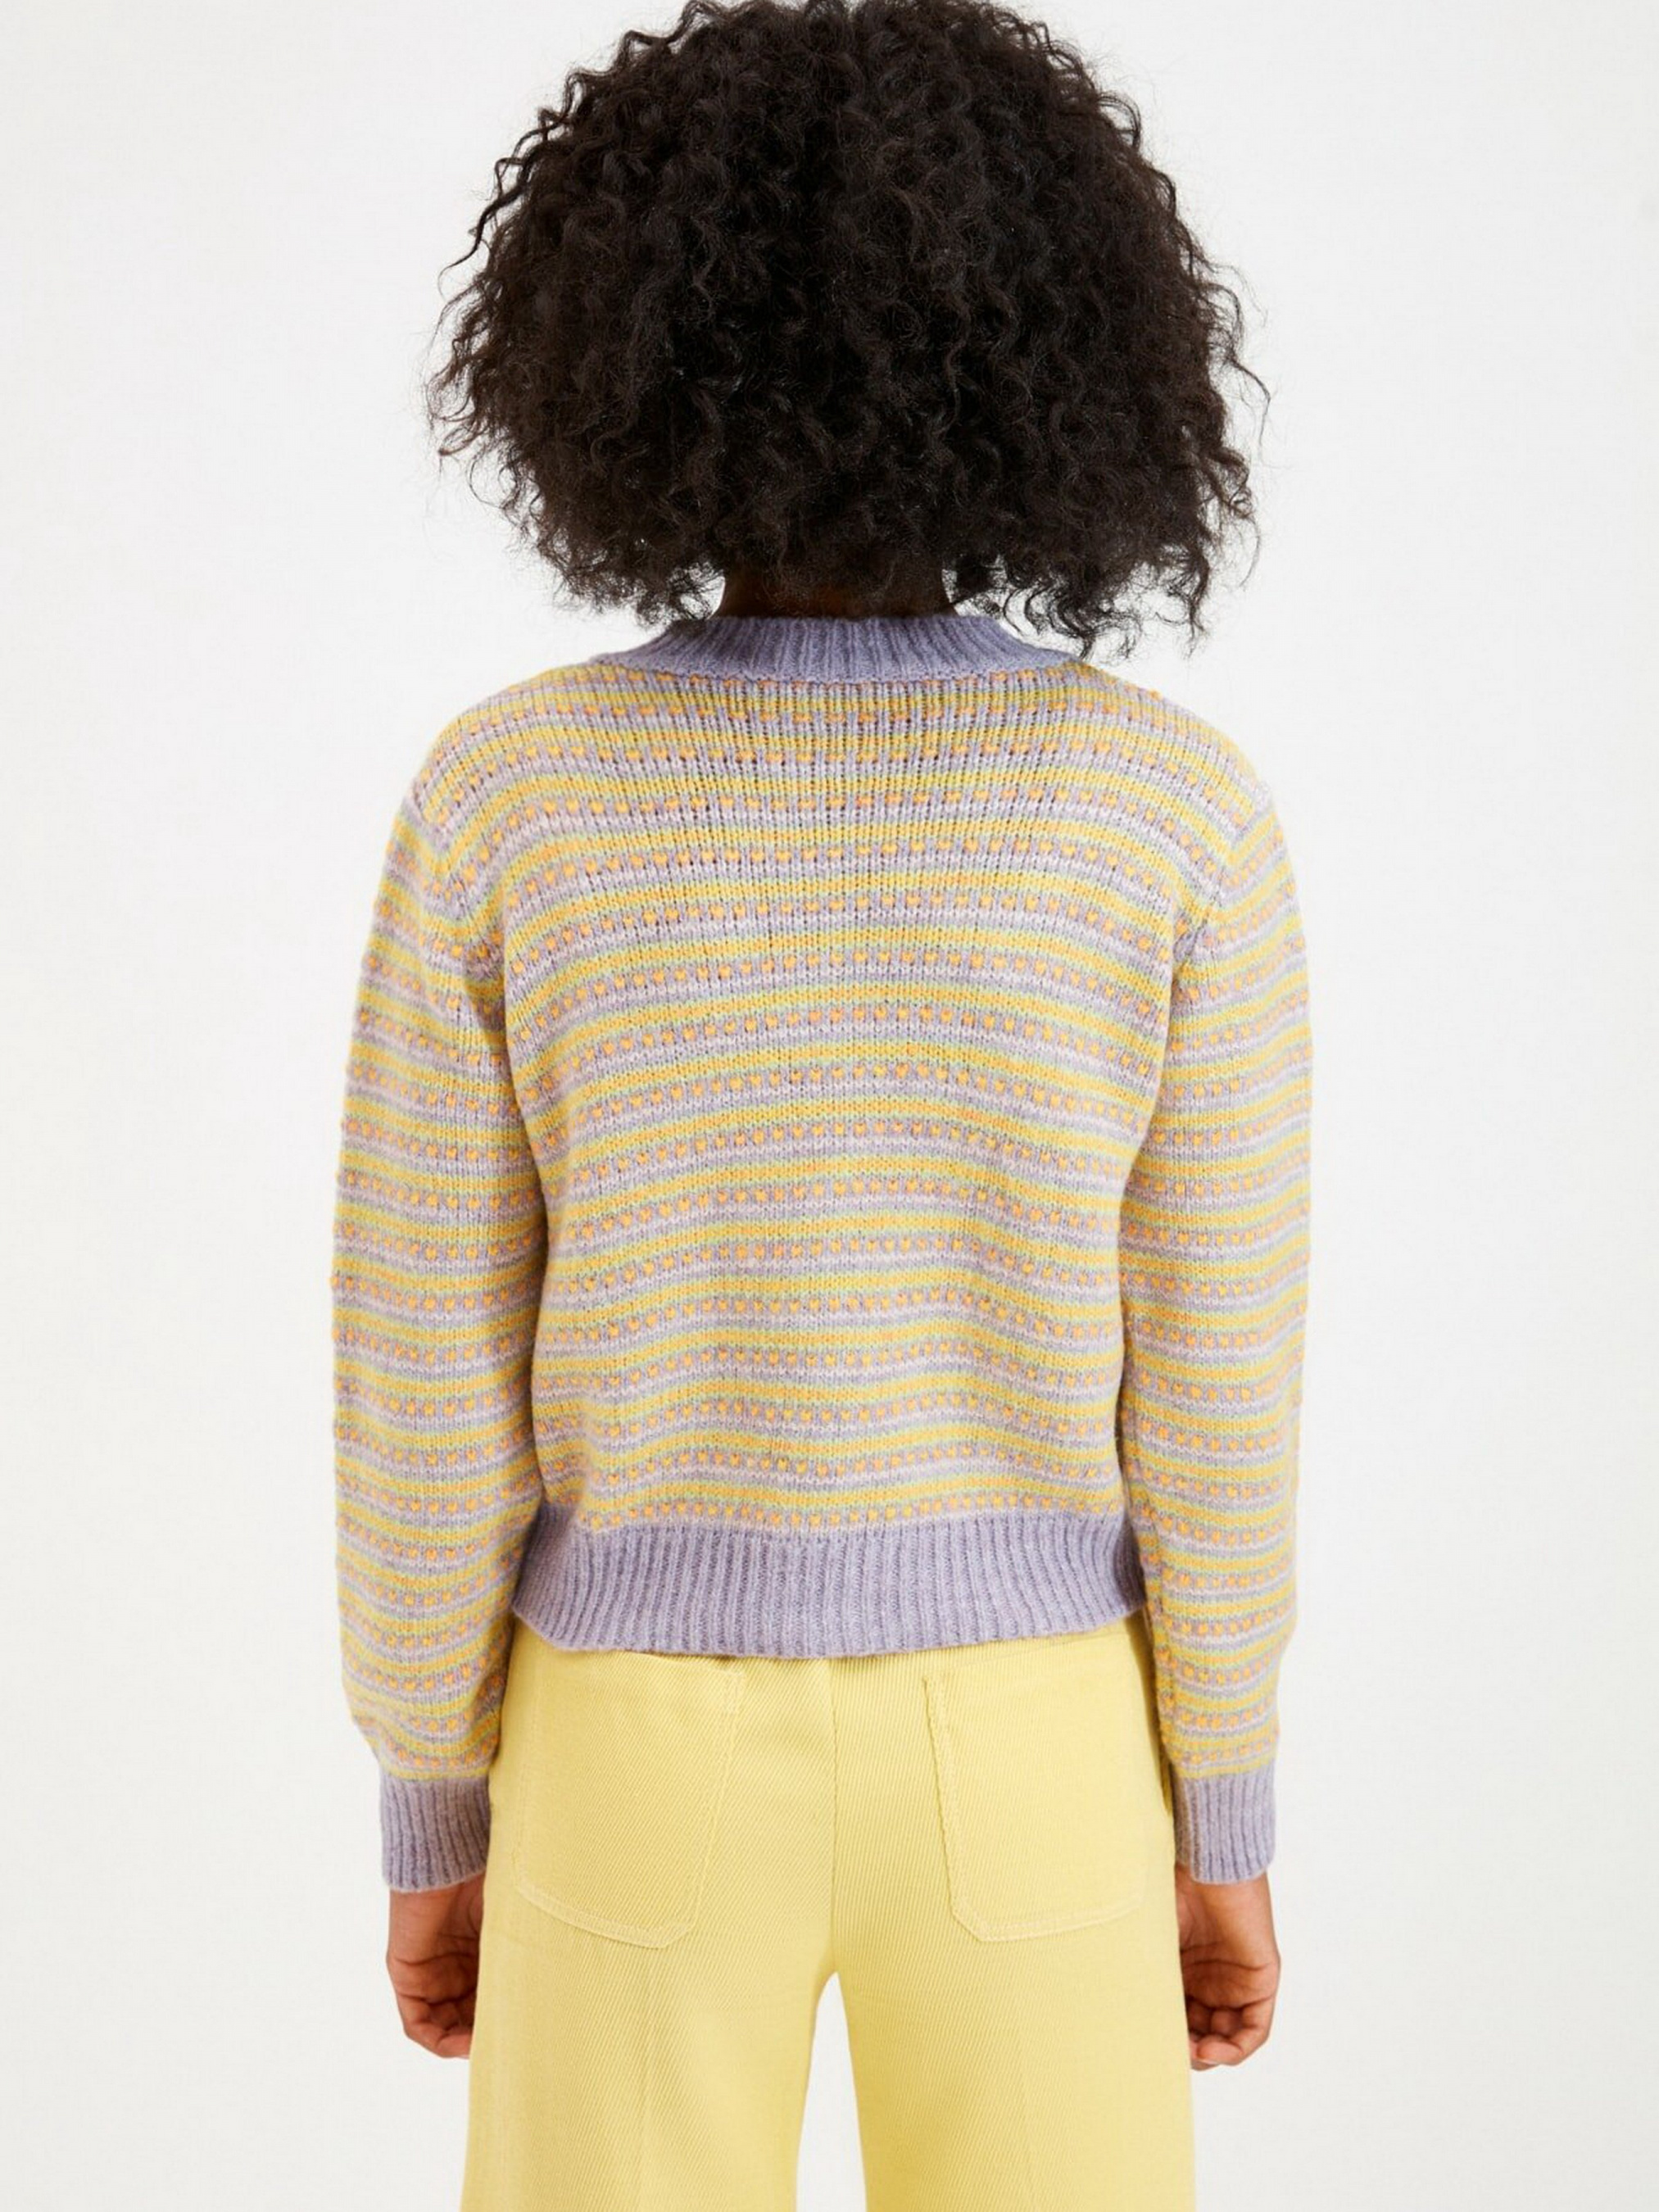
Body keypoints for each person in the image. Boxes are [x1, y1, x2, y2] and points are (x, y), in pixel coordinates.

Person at [329, 0, 1312, 2203]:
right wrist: (1222, 1802)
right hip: (1042, 1742)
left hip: (628, 1752)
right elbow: (1219, 1382)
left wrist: (434, 1796)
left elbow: (423, 1366)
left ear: (616, 356)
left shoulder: (512, 798)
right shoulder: (1170, 813)